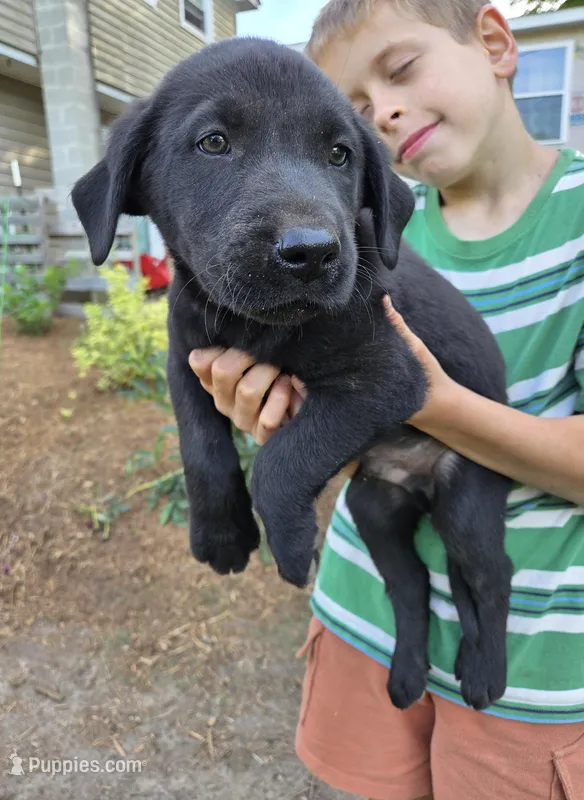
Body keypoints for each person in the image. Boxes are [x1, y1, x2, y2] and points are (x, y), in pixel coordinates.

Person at [188, 2, 584, 797]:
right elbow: (339, 414)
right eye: (356, 110)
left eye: (400, 70)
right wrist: (286, 416)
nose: (384, 114)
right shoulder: (361, 226)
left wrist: (423, 401)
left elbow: (394, 392)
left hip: (534, 667)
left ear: (496, 41)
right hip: (361, 614)